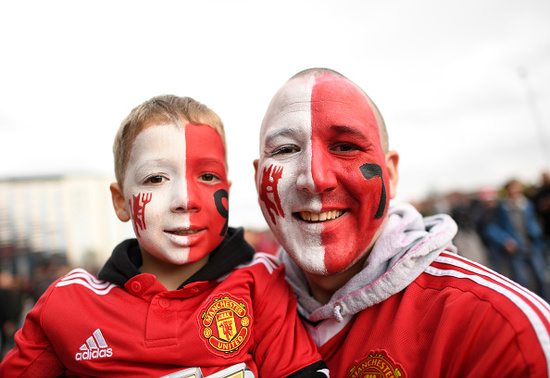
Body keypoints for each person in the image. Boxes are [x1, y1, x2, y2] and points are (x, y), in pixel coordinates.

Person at [0, 95, 328, 377]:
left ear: (227, 190)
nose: (185, 199)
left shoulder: (261, 284)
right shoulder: (67, 305)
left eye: (208, 175)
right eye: (156, 178)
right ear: (121, 201)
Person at [253, 68, 550, 377]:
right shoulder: (232, 311)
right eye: (286, 149)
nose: (315, 179)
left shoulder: (508, 335)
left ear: (391, 173)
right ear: (257, 177)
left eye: (345, 147)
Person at [486, 179, 548, 300]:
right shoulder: (501, 208)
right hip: (515, 249)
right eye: (513, 188)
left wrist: (536, 231)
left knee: (540, 277)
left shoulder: (527, 204)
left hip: (533, 246)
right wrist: (505, 240)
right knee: (521, 281)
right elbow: (491, 227)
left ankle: (544, 305)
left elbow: (533, 221)